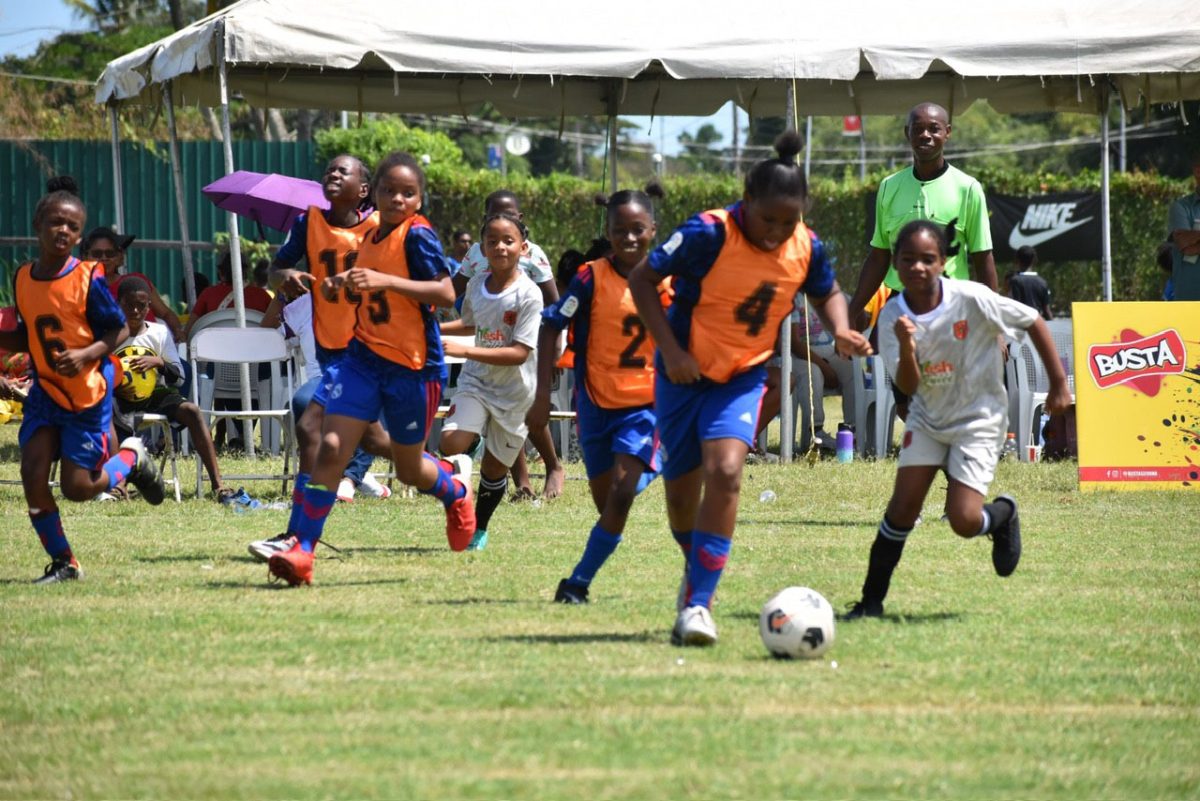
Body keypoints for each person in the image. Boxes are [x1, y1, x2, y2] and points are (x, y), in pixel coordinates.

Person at [628, 131, 872, 646]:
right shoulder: (706, 233)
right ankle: (695, 575)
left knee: (727, 472)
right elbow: (642, 281)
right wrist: (672, 352)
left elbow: (826, 290)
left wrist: (842, 328)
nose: (777, 232)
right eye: (768, 220)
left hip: (741, 376)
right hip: (682, 376)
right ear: (746, 199)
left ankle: (698, 605)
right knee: (680, 500)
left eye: (790, 220)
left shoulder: (806, 246)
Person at [844, 220, 1072, 620]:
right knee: (900, 510)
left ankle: (1002, 515)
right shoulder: (891, 316)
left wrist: (1058, 385)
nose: (917, 267)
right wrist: (908, 345)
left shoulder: (971, 297)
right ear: (895, 263)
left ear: (944, 262)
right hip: (927, 419)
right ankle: (870, 603)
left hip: (978, 420)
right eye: (908, 259)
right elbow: (910, 386)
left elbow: (1033, 320)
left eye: (927, 259)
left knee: (964, 521)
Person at [265, 151, 475, 586]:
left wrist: (384, 282)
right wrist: (343, 282)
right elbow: (362, 279)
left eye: (408, 192)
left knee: (410, 471)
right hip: (361, 360)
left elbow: (445, 293)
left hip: (414, 368)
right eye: (389, 190)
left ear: (419, 200)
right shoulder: (369, 234)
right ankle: (303, 551)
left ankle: (454, 489)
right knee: (328, 445)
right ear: (374, 194)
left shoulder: (418, 236)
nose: (397, 198)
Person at [0, 176, 165, 584]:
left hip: (86, 395)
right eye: (57, 222)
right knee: (33, 475)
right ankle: (65, 563)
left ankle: (132, 458)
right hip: (45, 395)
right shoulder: (23, 277)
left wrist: (87, 354)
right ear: (38, 224)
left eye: (73, 227)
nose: (64, 231)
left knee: (77, 487)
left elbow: (119, 330)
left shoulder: (87, 278)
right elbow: (32, 334)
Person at [247, 154, 398, 563]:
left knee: (306, 413)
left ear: (363, 190)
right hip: (332, 353)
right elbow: (275, 271)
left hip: (369, 354)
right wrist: (286, 277)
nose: (332, 174)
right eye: (329, 169)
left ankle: (298, 536)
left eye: (343, 171)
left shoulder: (381, 230)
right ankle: (446, 480)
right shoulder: (307, 223)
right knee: (377, 441)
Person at [532, 186, 669, 603]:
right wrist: (541, 394)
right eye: (619, 231)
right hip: (594, 404)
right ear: (607, 233)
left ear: (653, 230)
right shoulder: (590, 278)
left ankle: (577, 583)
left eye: (637, 230)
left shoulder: (668, 279)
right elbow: (551, 324)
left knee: (622, 494)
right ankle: (658, 462)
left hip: (645, 406)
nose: (629, 238)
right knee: (606, 501)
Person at [438, 212, 544, 551]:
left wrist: (463, 351)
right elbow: (472, 325)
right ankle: (470, 447)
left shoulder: (529, 295)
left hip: (516, 393)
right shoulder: (474, 285)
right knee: (451, 442)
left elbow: (518, 353)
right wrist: (433, 330)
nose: (500, 246)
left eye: (508, 241)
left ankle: (478, 528)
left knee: (495, 472)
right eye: (492, 241)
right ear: (482, 249)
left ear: (523, 249)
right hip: (477, 382)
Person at [454, 190, 565, 500]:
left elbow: (554, 303)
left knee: (526, 410)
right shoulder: (477, 253)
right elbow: (455, 289)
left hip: (529, 341)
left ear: (521, 219)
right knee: (500, 411)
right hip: (490, 342)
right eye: (493, 214)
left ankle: (554, 465)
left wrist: (555, 351)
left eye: (511, 214)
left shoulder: (533, 253)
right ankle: (522, 483)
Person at [847, 102, 997, 327]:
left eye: (934, 129)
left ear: (947, 132)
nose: (925, 135)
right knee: (883, 361)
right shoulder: (889, 186)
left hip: (952, 307)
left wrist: (994, 328)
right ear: (907, 133)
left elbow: (983, 260)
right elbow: (879, 257)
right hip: (899, 307)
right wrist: (850, 313)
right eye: (917, 129)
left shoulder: (968, 188)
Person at [112, 276, 235, 503]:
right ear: (119, 304)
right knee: (108, 412)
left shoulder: (158, 332)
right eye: (130, 305)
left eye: (142, 305)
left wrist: (159, 362)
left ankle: (218, 485)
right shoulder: (109, 333)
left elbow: (179, 376)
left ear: (150, 306)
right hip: (118, 396)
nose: (137, 311)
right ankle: (119, 484)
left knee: (192, 411)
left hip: (155, 392)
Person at [83, 226, 185, 342]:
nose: (104, 258)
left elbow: (166, 313)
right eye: (97, 254)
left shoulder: (137, 281)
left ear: (120, 258)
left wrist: (178, 332)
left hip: (151, 350)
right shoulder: (78, 290)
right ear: (85, 257)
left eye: (110, 253)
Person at [182, 250, 274, 339]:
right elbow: (277, 327)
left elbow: (189, 330)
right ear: (245, 271)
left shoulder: (208, 294)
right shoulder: (262, 295)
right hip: (257, 350)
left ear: (220, 272)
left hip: (214, 352)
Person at [1167, 151, 1200, 301]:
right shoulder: (1181, 207)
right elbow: (1184, 245)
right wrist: (1188, 241)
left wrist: (1195, 239)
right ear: (1197, 171)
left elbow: (1192, 247)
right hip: (1190, 303)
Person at [1007, 245, 1053, 320]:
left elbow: (1014, 307)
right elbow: (1047, 311)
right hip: (1037, 324)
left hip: (1021, 324)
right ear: (1034, 260)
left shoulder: (1015, 281)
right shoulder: (1042, 282)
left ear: (1017, 260)